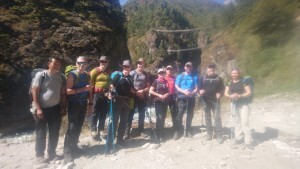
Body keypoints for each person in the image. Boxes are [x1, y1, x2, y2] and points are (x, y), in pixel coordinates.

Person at [31, 57, 66, 163]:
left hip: (56, 108)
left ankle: (52, 153)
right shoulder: (41, 75)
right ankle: (39, 155)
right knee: (41, 132)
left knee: (54, 132)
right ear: (49, 63)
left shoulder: (61, 76)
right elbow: (34, 92)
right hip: (42, 108)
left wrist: (63, 107)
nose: (57, 65)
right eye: (55, 63)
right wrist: (38, 108)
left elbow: (63, 93)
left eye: (59, 63)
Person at [64, 56, 93, 162]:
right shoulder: (72, 75)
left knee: (79, 126)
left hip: (83, 103)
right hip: (73, 104)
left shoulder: (87, 75)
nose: (82, 65)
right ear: (76, 64)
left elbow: (90, 91)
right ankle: (67, 151)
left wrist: (90, 104)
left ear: (86, 64)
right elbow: (68, 91)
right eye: (80, 63)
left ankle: (74, 146)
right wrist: (82, 89)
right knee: (71, 127)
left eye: (84, 63)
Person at [224, 68, 254, 150]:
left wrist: (240, 96)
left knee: (244, 122)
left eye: (236, 73)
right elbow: (226, 93)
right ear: (231, 74)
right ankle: (238, 138)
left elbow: (249, 92)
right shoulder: (229, 82)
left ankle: (248, 142)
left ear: (239, 74)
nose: (234, 75)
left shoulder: (244, 81)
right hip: (233, 104)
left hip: (243, 104)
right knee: (237, 122)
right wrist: (230, 96)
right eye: (233, 73)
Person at [109, 60, 136, 147]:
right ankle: (110, 142)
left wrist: (137, 93)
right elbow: (111, 85)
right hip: (117, 100)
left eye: (128, 67)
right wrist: (110, 92)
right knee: (114, 121)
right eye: (125, 67)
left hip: (127, 102)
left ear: (130, 68)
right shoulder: (118, 76)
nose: (126, 68)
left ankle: (120, 140)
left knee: (124, 121)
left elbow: (131, 89)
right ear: (122, 67)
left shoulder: (131, 78)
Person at [199, 63, 224, 144]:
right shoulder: (203, 78)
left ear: (214, 70)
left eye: (212, 70)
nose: (211, 71)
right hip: (205, 100)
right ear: (207, 70)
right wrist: (200, 91)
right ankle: (209, 134)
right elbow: (199, 88)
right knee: (207, 117)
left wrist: (220, 94)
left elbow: (222, 89)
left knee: (217, 118)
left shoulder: (218, 78)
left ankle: (219, 135)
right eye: (209, 70)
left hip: (215, 101)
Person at [126, 58, 150, 138]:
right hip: (133, 97)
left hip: (142, 97)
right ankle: (127, 132)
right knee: (130, 113)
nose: (140, 65)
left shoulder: (146, 74)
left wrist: (142, 91)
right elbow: (128, 85)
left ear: (144, 64)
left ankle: (141, 130)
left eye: (142, 63)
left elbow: (148, 87)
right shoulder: (132, 73)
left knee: (142, 114)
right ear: (137, 64)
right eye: (139, 63)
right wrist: (136, 92)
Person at [174, 62, 198, 140]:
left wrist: (192, 92)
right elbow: (176, 86)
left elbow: (196, 88)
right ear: (184, 67)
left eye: (190, 66)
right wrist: (184, 91)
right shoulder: (180, 76)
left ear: (192, 67)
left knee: (190, 115)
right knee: (179, 114)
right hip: (181, 98)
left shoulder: (194, 76)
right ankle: (177, 131)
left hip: (191, 98)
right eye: (187, 66)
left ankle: (188, 130)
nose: (188, 68)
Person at [89, 56, 110, 140]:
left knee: (103, 112)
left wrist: (109, 92)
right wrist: (90, 96)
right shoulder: (95, 71)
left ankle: (101, 129)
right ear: (99, 62)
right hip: (96, 94)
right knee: (95, 111)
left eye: (105, 62)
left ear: (107, 63)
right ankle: (93, 129)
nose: (103, 63)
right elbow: (91, 84)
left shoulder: (108, 72)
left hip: (105, 94)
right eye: (102, 61)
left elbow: (109, 83)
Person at [149, 68, 170, 141]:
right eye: (160, 73)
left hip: (165, 102)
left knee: (163, 117)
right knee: (159, 117)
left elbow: (168, 91)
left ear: (164, 74)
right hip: (158, 102)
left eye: (163, 73)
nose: (161, 74)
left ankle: (161, 131)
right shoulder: (156, 81)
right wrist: (159, 95)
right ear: (158, 74)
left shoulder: (166, 81)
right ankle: (158, 134)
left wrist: (166, 95)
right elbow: (150, 91)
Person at [164, 65, 177, 130]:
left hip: (172, 97)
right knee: (163, 113)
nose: (169, 70)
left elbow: (177, 87)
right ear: (165, 70)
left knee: (174, 112)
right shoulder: (163, 78)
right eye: (168, 69)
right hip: (165, 97)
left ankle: (175, 128)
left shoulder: (174, 78)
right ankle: (162, 128)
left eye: (170, 69)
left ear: (172, 70)